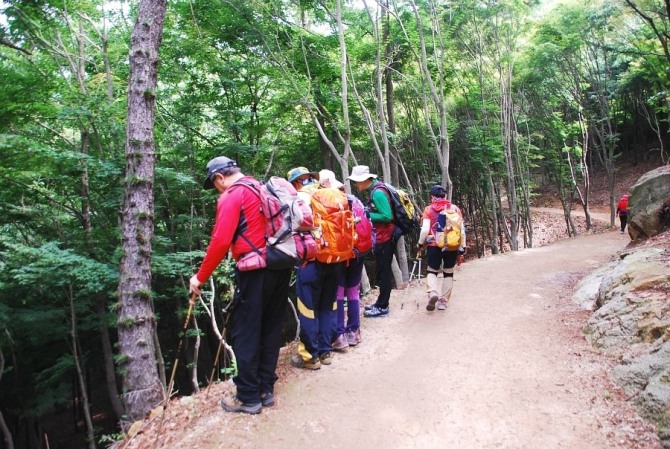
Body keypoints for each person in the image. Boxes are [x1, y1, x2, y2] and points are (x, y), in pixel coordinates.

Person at [189, 156, 291, 414]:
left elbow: (221, 241)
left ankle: (247, 396)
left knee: (245, 333)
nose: (216, 189)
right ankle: (266, 390)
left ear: (219, 177)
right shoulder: (262, 188)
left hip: (254, 271)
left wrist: (199, 278)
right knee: (270, 328)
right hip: (280, 266)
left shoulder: (232, 196)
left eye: (214, 184)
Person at [287, 167, 341, 369]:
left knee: (309, 310)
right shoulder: (331, 194)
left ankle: (310, 356)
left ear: (295, 182)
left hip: (311, 261)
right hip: (334, 259)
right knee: (328, 306)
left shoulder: (299, 197)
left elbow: (292, 225)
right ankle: (326, 351)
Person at [319, 169, 364, 349]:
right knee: (353, 291)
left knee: (338, 293)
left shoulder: (324, 201)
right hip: (358, 252)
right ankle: (354, 332)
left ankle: (339, 335)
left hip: (338, 255)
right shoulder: (354, 200)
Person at [347, 165, 395, 318]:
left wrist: (366, 216)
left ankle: (383, 307)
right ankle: (381, 303)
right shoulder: (376, 190)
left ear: (364, 180)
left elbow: (387, 216)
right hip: (383, 237)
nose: (355, 185)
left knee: (384, 272)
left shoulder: (378, 193)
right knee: (382, 271)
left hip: (385, 237)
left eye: (356, 181)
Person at [417, 185, 466, 311]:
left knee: (432, 270)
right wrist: (462, 247)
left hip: (434, 245)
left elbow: (425, 230)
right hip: (452, 246)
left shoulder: (429, 209)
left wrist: (420, 243)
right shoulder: (455, 209)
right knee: (448, 272)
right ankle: (443, 301)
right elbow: (462, 230)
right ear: (445, 196)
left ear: (432, 197)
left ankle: (433, 292)